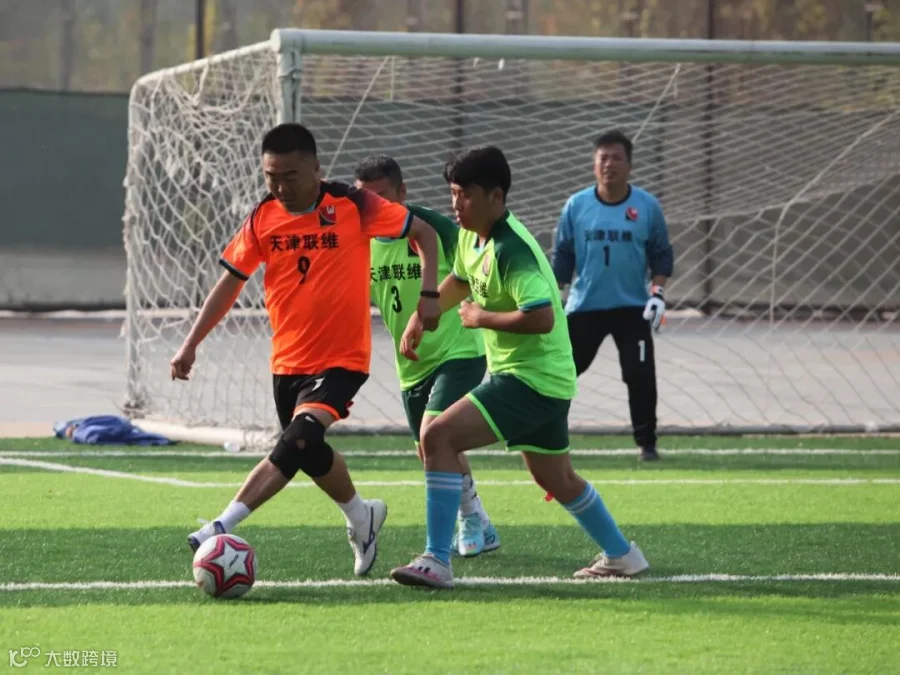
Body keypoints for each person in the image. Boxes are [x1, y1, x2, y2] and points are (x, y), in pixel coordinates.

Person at [171, 123, 442, 577]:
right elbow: (229, 283)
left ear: (316, 168)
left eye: (290, 176)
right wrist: (190, 343)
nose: (280, 187)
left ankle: (221, 524)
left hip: (342, 359)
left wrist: (429, 294)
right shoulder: (263, 217)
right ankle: (362, 516)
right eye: (271, 177)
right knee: (309, 451)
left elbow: (426, 234)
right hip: (287, 361)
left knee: (299, 438)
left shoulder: (353, 204)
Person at [389, 145, 649, 589]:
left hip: (531, 379)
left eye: (465, 195)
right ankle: (623, 555)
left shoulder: (511, 250)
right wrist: (421, 315)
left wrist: (481, 317)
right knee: (556, 477)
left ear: (496, 197)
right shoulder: (471, 236)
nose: (456, 204)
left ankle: (436, 558)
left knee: (437, 436)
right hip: (539, 377)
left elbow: (542, 316)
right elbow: (461, 279)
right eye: (452, 193)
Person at [354, 154, 500, 557]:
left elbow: (476, 264)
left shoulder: (432, 228)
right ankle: (479, 520)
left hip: (459, 350)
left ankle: (462, 527)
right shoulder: (359, 238)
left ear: (403, 192)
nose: (373, 206)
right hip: (412, 362)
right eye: (364, 199)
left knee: (433, 435)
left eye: (382, 196)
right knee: (430, 449)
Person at [551, 130, 674, 462]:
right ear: (593, 165)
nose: (609, 164)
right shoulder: (576, 205)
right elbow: (563, 256)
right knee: (560, 371)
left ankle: (647, 443)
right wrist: (554, 296)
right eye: (603, 158)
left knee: (639, 374)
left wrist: (658, 293)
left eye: (617, 158)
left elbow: (661, 253)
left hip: (632, 308)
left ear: (630, 165)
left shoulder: (647, 206)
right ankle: (545, 433)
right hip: (584, 306)